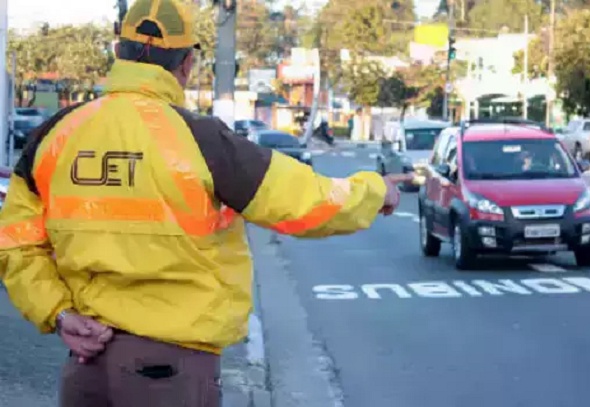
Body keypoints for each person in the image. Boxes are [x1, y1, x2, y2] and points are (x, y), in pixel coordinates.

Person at [0, 0, 412, 406]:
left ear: (116, 52)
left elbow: (15, 244)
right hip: (169, 372)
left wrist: (58, 315)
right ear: (186, 64)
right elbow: (304, 203)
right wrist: (375, 192)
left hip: (84, 365)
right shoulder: (199, 139)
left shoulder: (54, 135)